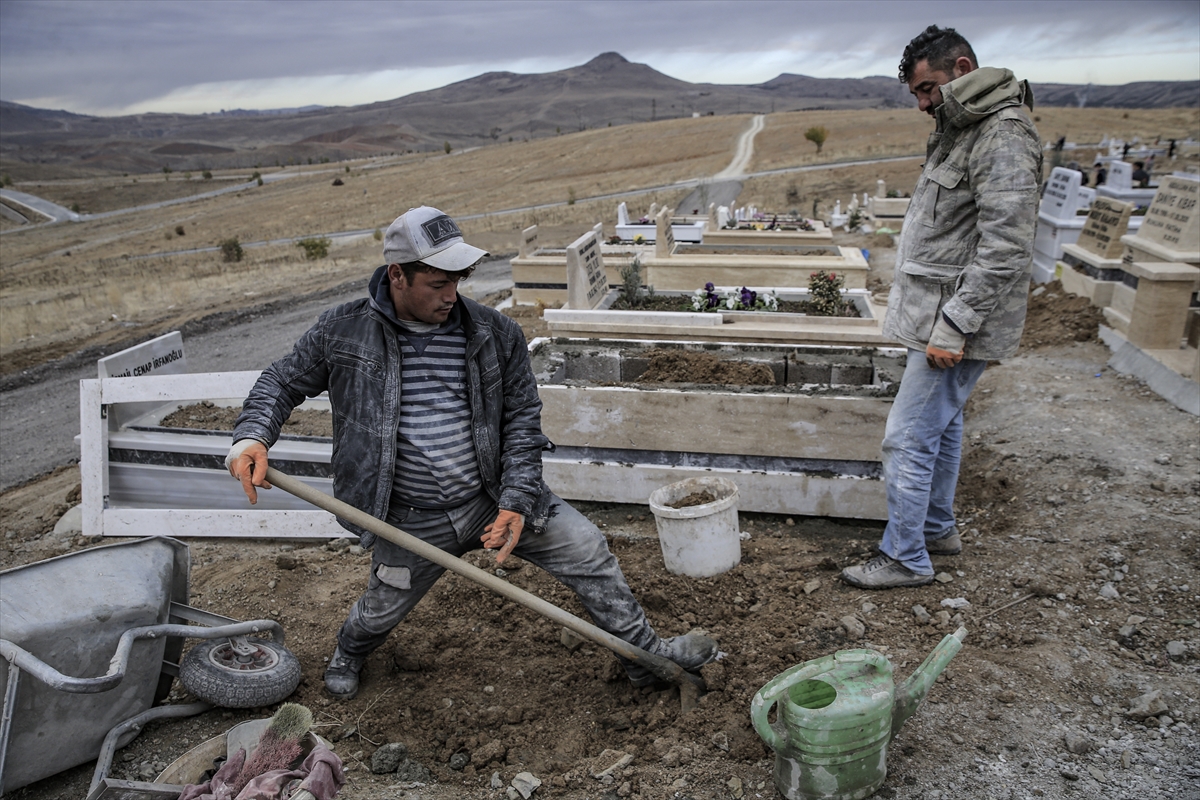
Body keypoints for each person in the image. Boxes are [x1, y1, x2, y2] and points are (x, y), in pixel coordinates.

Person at [225, 206, 718, 698]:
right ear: (397, 275)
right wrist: (253, 436)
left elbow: (522, 422)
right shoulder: (343, 330)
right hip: (409, 516)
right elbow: (280, 381)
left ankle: (645, 657)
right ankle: (349, 651)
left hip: (490, 497)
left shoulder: (494, 334)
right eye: (437, 283)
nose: (450, 295)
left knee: (588, 550)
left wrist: (516, 500)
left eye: (458, 280)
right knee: (381, 608)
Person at [841, 25, 1042, 589]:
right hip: (939, 313)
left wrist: (955, 324)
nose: (924, 104)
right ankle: (934, 529)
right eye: (916, 96)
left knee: (905, 437)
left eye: (928, 89)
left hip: (955, 319)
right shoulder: (964, 127)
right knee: (943, 429)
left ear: (961, 69)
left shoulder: (1001, 134)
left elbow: (1007, 246)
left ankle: (905, 557)